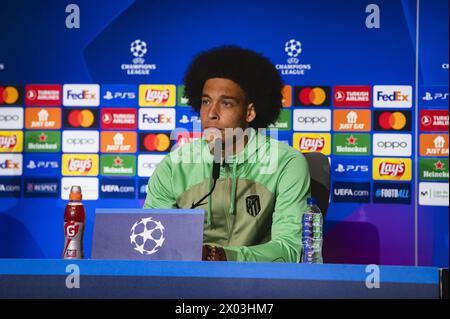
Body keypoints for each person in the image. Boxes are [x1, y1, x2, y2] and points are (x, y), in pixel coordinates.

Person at [144, 46, 310, 262]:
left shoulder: (286, 163)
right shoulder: (174, 166)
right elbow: (149, 245)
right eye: (205, 102)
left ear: (249, 112)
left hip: (260, 286)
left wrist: (222, 256)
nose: (211, 114)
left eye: (226, 103)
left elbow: (290, 251)